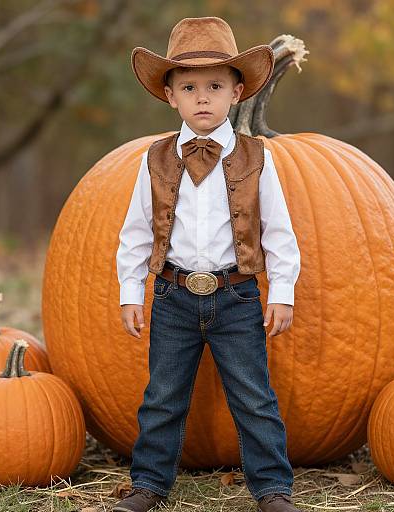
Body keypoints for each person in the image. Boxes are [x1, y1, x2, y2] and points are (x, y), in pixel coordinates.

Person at [114, 16, 302, 512]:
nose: (203, 97)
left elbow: (279, 231)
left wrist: (281, 291)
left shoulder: (257, 157)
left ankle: (272, 489)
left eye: (215, 86)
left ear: (236, 92)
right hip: (172, 295)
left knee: (254, 398)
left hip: (237, 295)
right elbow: (135, 232)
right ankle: (149, 484)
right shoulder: (154, 159)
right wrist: (131, 293)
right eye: (190, 87)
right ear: (170, 96)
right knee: (162, 397)